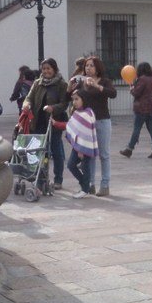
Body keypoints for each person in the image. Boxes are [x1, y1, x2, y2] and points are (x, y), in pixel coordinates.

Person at [66, 55, 116, 197]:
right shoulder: (82, 82)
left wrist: (97, 86)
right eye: (86, 65)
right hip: (86, 124)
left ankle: (105, 185)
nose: (88, 68)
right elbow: (69, 97)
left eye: (91, 65)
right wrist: (70, 87)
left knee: (104, 154)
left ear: (98, 68)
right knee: (90, 154)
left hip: (102, 121)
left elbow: (113, 94)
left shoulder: (105, 81)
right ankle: (90, 184)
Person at [22, 58, 69, 190]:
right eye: (44, 68)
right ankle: (41, 178)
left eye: (48, 68)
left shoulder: (61, 84)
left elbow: (64, 103)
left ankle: (58, 179)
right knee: (39, 151)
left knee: (56, 150)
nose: (46, 71)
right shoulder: (37, 83)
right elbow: (29, 97)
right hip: (38, 122)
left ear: (54, 69)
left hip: (53, 122)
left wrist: (53, 108)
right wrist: (27, 104)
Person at [120, 61, 152, 159]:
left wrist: (132, 89)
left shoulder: (142, 79)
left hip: (142, 108)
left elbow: (136, 93)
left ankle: (129, 149)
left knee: (137, 128)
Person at [65, 89, 98, 199]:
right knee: (71, 165)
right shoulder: (77, 113)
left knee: (85, 166)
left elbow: (86, 133)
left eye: (77, 99)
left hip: (85, 146)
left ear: (84, 99)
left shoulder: (88, 113)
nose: (74, 102)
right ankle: (85, 185)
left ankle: (84, 189)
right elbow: (73, 128)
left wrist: (81, 149)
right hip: (78, 145)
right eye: (73, 99)